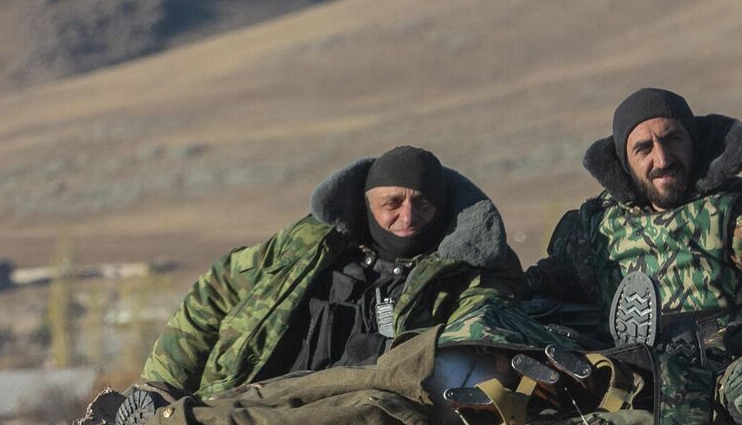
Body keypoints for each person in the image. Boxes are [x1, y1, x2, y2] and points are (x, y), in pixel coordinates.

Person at [143, 146, 523, 400]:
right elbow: (218, 287)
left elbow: (484, 317)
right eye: (392, 203)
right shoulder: (307, 246)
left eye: (422, 204)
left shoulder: (471, 272)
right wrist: (164, 385)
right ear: (366, 202)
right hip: (250, 402)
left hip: (367, 420)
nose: (407, 217)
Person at [526, 87, 742, 359]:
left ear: (694, 142)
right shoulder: (596, 231)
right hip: (629, 399)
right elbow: (538, 292)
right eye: (644, 148)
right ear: (625, 162)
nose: (663, 159)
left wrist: (720, 343)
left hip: (736, 402)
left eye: (673, 139)